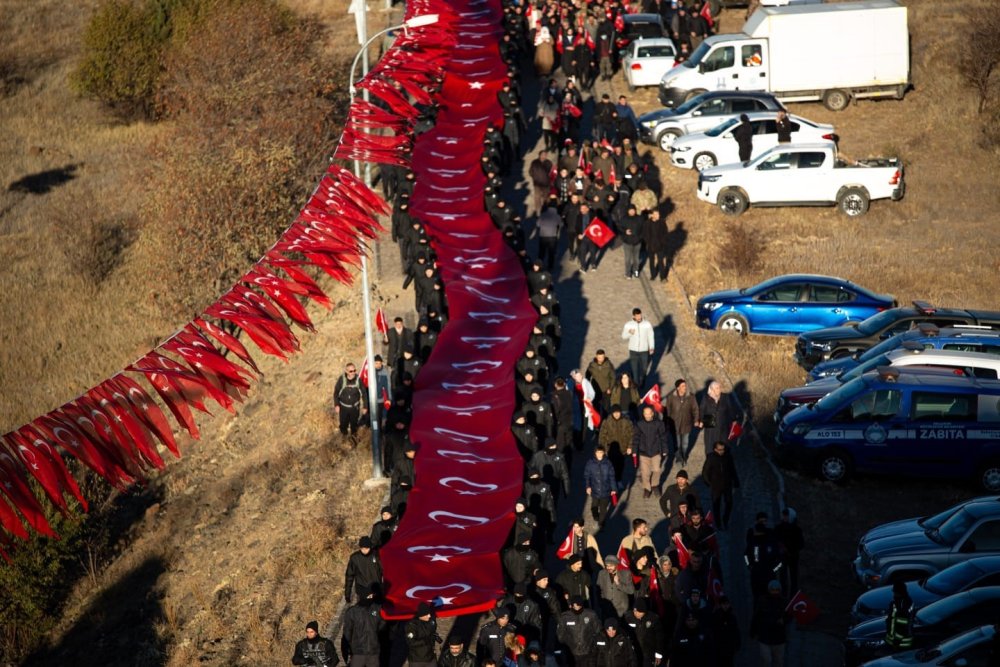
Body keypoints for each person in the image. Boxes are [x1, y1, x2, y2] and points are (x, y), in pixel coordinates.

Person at [631, 404, 669, 499]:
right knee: (645, 472)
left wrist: (664, 449)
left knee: (656, 470)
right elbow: (636, 438)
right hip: (644, 452)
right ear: (643, 414)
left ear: (652, 414)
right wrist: (634, 450)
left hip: (656, 451)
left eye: (649, 414)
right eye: (645, 414)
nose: (647, 416)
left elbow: (663, 437)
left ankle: (655, 485)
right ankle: (647, 488)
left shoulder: (659, 424)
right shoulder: (639, 424)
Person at [341, 585, 384, 667]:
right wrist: (346, 651)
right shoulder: (352, 612)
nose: (371, 598)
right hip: (358, 652)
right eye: (369, 596)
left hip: (373, 652)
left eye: (372, 595)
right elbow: (347, 633)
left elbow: (383, 628)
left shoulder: (377, 610)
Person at [750, 581, 790, 667]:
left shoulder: (784, 602)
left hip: (779, 639)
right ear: (769, 590)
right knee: (766, 661)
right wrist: (753, 631)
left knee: (778, 662)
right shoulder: (762, 601)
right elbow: (756, 617)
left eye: (777, 590)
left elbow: (789, 615)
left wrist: (784, 620)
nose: (775, 592)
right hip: (765, 638)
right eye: (773, 590)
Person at [702, 440, 740, 530]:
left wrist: (736, 481)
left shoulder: (728, 457)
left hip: (727, 485)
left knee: (729, 504)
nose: (721, 451)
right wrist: (709, 483)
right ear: (715, 449)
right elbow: (705, 472)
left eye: (723, 449)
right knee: (716, 506)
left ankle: (725, 520)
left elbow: (732, 469)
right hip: (716, 486)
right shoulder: (711, 458)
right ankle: (718, 523)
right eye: (719, 450)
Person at [557, 596, 601, 667]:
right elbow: (560, 636)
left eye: (578, 605)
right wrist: (568, 644)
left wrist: (593, 646)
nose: (576, 607)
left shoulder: (591, 615)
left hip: (588, 653)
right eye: (574, 605)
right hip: (572, 654)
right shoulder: (565, 617)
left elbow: (598, 631)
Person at [664, 379, 699, 465]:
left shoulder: (691, 397)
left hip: (686, 424)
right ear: (678, 388)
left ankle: (684, 455)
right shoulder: (671, 397)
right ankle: (679, 458)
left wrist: (696, 419)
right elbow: (668, 411)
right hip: (674, 425)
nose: (685, 387)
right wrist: (667, 423)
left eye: (685, 386)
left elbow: (695, 409)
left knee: (685, 444)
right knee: (677, 443)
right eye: (683, 386)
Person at [623, 599, 666, 667]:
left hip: (649, 652)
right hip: (634, 652)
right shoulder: (628, 617)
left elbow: (659, 637)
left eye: (639, 612)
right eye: (635, 611)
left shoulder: (653, 619)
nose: (636, 613)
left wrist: (658, 654)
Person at [598, 405, 633, 486]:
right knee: (611, 467)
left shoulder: (626, 421)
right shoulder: (607, 422)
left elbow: (631, 435)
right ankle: (612, 482)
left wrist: (630, 446)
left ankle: (619, 479)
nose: (616, 414)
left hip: (622, 449)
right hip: (610, 449)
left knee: (620, 466)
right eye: (614, 413)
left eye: (618, 412)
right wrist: (601, 449)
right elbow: (602, 436)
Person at [621, 308, 655, 390]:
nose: (639, 317)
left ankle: (642, 382)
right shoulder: (628, 325)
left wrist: (651, 347)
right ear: (633, 316)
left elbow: (650, 335)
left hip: (644, 350)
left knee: (644, 369)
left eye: (640, 315)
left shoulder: (647, 324)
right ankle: (635, 387)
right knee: (634, 370)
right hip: (633, 351)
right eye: (637, 316)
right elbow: (623, 336)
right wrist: (629, 333)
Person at [699, 381, 734, 458]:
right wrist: (701, 420)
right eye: (717, 388)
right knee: (710, 443)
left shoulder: (725, 397)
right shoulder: (706, 398)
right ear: (712, 389)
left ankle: (724, 458)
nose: (719, 390)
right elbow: (702, 410)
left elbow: (730, 410)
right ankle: (710, 458)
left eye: (719, 388)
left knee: (723, 443)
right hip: (710, 420)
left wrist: (733, 420)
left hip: (723, 423)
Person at [584, 444, 616, 526]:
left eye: (601, 452)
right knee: (594, 505)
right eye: (598, 452)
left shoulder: (608, 464)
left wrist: (614, 489)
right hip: (594, 490)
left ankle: (601, 522)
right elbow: (587, 476)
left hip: (605, 490)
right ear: (595, 453)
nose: (599, 454)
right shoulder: (590, 463)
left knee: (603, 508)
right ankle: (595, 514)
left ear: (604, 453)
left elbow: (612, 477)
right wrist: (588, 486)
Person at [774, 507, 804, 594]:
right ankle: (783, 595)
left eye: (786, 515)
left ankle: (793, 597)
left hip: (793, 557)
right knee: (783, 578)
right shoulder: (779, 528)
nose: (784, 517)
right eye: (784, 515)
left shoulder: (797, 530)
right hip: (782, 557)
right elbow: (774, 540)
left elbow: (801, 544)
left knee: (793, 578)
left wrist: (790, 549)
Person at [344, 537, 382, 604]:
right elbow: (349, 576)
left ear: (370, 547)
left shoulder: (376, 556)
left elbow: (384, 571)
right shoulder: (354, 558)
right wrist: (347, 594)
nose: (364, 550)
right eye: (362, 548)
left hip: (376, 589)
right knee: (363, 611)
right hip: (362, 590)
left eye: (366, 548)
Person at [333, 363, 368, 436]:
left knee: (354, 425)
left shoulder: (358, 380)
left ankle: (353, 438)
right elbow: (336, 392)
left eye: (354, 370)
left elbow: (364, 393)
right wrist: (336, 405)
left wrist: (365, 406)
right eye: (351, 371)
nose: (353, 373)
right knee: (343, 425)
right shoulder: (342, 379)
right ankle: (344, 437)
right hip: (343, 408)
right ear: (346, 371)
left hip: (354, 408)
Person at [406, 603, 441, 667]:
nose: (429, 616)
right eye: (427, 614)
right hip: (417, 660)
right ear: (421, 615)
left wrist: (435, 636)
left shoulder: (431, 621)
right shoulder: (412, 625)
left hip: (430, 658)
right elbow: (411, 642)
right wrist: (425, 640)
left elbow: (431, 631)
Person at [712, 596, 741, 667]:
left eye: (727, 604)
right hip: (718, 647)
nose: (725, 606)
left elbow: (735, 631)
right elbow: (712, 631)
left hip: (729, 647)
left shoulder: (732, 617)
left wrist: (737, 643)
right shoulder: (716, 616)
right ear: (720, 605)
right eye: (723, 604)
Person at [885, 581, 914, 652]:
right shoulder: (897, 602)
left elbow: (902, 625)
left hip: (901, 644)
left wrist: (896, 642)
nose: (893, 594)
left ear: (899, 592)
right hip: (893, 643)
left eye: (895, 592)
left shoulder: (903, 604)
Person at [618, 204, 645, 279]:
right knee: (628, 259)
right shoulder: (624, 219)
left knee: (636, 259)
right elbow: (619, 228)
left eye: (633, 210)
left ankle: (636, 273)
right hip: (627, 242)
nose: (632, 211)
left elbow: (644, 229)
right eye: (630, 210)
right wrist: (625, 231)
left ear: (635, 210)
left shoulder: (640, 218)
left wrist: (640, 237)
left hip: (637, 242)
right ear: (628, 211)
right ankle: (628, 273)